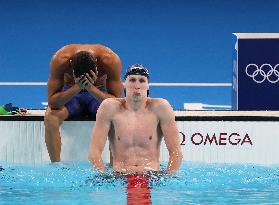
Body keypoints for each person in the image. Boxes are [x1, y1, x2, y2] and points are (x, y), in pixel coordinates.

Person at [88, 64, 182, 175]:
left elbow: (175, 152)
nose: (137, 85)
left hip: (151, 176)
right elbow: (94, 152)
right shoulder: (109, 108)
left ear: (147, 86)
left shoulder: (161, 108)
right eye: (132, 80)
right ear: (124, 84)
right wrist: (103, 175)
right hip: (119, 176)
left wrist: (168, 177)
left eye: (142, 81)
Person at [44, 44, 122, 162]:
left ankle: (115, 167)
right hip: (71, 94)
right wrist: (76, 87)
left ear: (97, 63)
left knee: (117, 117)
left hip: (98, 94)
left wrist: (91, 88)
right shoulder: (60, 59)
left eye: (91, 76)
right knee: (50, 118)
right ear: (70, 64)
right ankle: (56, 166)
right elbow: (53, 102)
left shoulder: (110, 60)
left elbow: (116, 104)